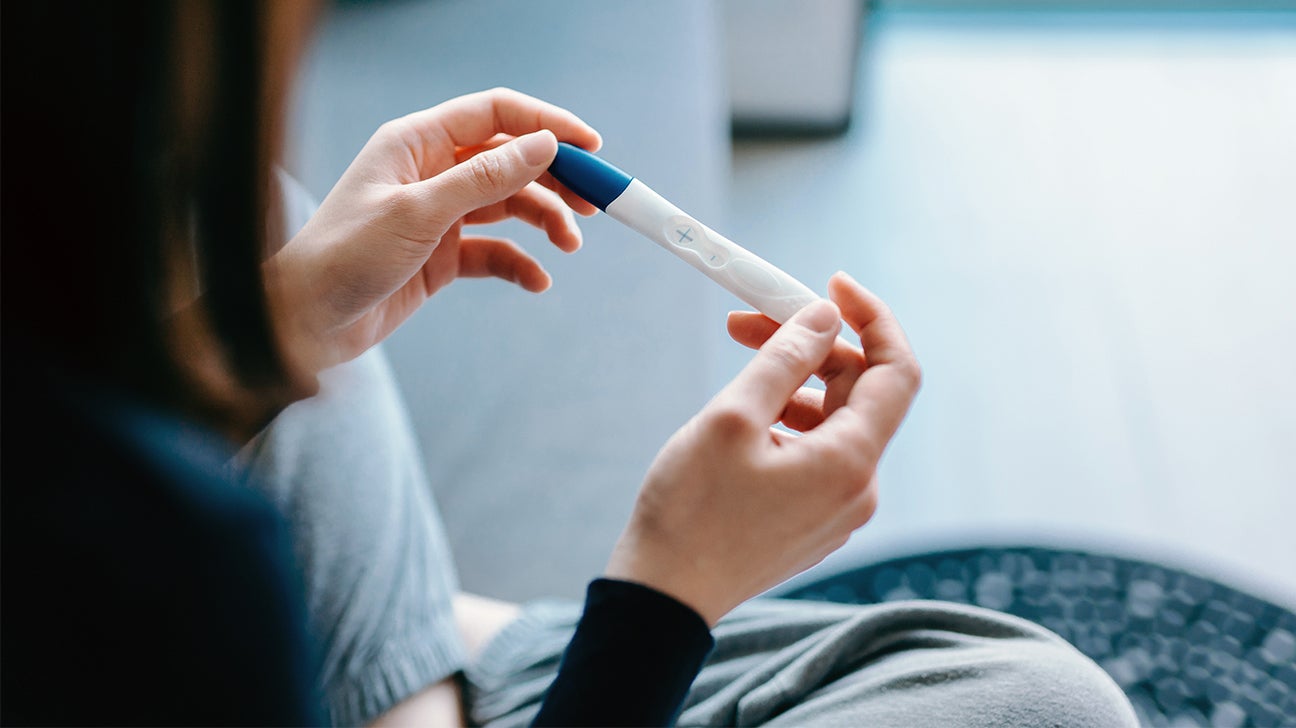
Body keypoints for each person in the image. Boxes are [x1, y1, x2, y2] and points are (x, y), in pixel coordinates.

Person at [0, 2, 1137, 726]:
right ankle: (447, 670)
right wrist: (666, 588)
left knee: (255, 225)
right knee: (1043, 704)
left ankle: (434, 664)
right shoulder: (177, 578)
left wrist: (286, 328)